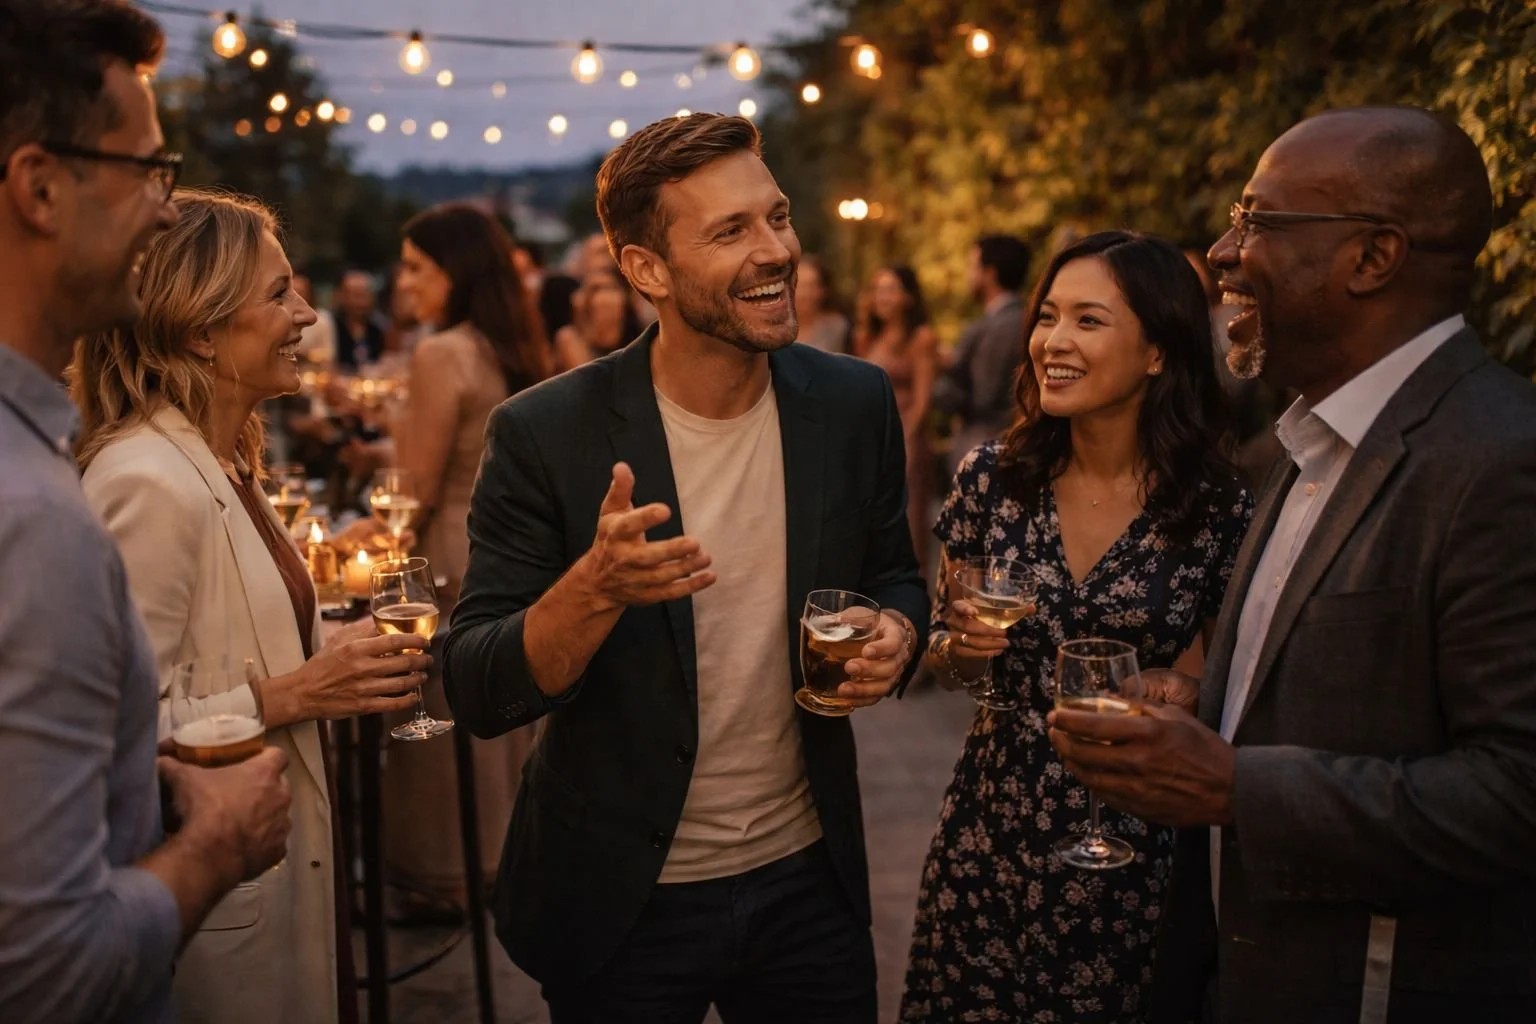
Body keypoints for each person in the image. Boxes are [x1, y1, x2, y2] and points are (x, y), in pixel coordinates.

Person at [1048, 108, 1536, 1024]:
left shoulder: (1499, 459)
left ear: (1372, 257)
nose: (1222, 252)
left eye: (1258, 221)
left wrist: (1238, 786)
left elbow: (1519, 791)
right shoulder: (1300, 446)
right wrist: (1206, 704)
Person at [443, 112, 929, 1022]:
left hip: (807, 885)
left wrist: (897, 633)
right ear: (648, 271)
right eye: (731, 231)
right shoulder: (545, 433)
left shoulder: (853, 401)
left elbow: (896, 574)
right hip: (622, 903)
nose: (775, 250)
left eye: (777, 217)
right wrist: (592, 591)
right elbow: (475, 685)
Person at [71, 188, 430, 1024]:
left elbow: (223, 641)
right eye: (279, 294)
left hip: (275, 876)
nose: (306, 314)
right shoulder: (147, 481)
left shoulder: (221, 459)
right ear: (201, 330)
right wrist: (298, 693)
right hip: (217, 914)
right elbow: (111, 735)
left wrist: (329, 642)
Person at [0, 4, 290, 1021]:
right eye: (148, 172)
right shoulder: (36, 516)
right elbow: (40, 969)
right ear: (40, 187)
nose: (168, 214)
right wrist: (216, 841)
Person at [899, 231, 1252, 1023]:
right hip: (991, 829)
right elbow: (947, 660)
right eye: (1048, 316)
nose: (1052, 341)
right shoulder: (993, 478)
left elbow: (1235, 683)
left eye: (1088, 320)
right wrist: (962, 649)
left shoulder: (1216, 506)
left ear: (1157, 351)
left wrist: (1184, 691)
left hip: (1136, 838)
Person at [383, 201, 551, 910]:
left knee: (438, 720)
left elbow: (414, 490)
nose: (404, 282)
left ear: (455, 270)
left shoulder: (440, 352)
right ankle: (501, 858)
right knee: (493, 713)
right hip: (500, 548)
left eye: (416, 267)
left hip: (444, 551)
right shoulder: (506, 346)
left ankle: (442, 876)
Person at [854, 265, 939, 576]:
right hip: (869, 438)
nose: (883, 297)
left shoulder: (921, 338)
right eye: (878, 289)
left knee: (909, 524)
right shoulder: (865, 337)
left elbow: (922, 402)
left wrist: (902, 443)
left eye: (890, 289)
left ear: (908, 297)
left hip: (907, 438)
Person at [933, 235, 1029, 478]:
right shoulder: (1016, 317)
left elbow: (984, 395)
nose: (968, 275)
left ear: (990, 273)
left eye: (972, 267)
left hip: (988, 445)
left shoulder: (1002, 326)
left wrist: (943, 376)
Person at [553, 261, 644, 371]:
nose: (605, 298)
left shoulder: (640, 337)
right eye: (596, 290)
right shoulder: (570, 338)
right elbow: (586, 379)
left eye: (611, 288)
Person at [793, 254, 850, 354]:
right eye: (799, 286)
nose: (805, 293)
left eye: (812, 286)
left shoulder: (837, 327)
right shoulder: (775, 329)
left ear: (822, 290)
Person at [330, 269, 386, 369]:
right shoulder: (331, 327)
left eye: (366, 295)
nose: (362, 302)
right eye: (356, 295)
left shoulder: (379, 328)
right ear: (341, 296)